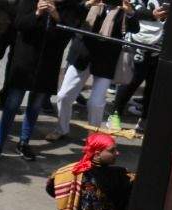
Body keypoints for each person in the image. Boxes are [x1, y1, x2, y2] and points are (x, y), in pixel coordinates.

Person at [0, 0, 83, 162]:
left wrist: (56, 17)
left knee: (35, 106)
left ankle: (24, 142)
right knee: (12, 103)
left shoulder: (69, 7)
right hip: (25, 60)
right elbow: (19, 24)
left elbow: (68, 34)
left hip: (48, 65)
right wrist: (37, 13)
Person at [53, 0, 135, 136]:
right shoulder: (90, 3)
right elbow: (73, 16)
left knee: (96, 103)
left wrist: (130, 12)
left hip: (106, 60)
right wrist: (88, 4)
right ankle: (61, 129)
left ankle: (94, 136)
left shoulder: (124, 8)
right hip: (82, 55)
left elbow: (135, 28)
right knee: (64, 95)